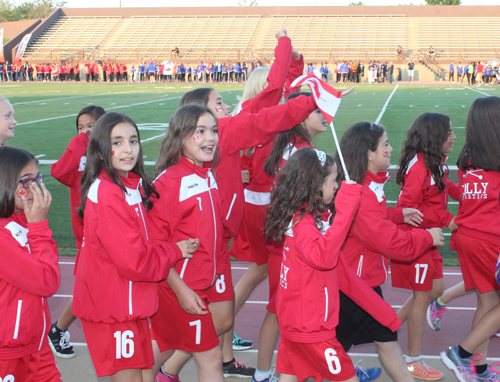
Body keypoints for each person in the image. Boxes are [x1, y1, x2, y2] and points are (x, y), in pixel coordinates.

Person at [72, 112, 195, 381]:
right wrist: (175, 250)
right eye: (117, 142)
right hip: (113, 308)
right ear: (102, 150)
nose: (128, 149)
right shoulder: (107, 192)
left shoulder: (128, 184)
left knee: (140, 376)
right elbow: (134, 261)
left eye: (133, 140)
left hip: (127, 304)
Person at [265, 147, 402, 382]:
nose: (337, 185)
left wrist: (383, 312)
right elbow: (325, 258)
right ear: (314, 185)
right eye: (332, 180)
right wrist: (346, 210)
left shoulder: (308, 220)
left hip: (299, 325)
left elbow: (344, 276)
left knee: (288, 377)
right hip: (312, 329)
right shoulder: (303, 224)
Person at [334, 121, 445, 382]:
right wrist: (426, 237)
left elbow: (373, 219)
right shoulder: (361, 190)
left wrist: (398, 213)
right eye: (385, 144)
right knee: (325, 353)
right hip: (351, 289)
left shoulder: (368, 185)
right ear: (368, 153)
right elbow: (387, 241)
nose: (391, 148)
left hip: (364, 284)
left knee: (386, 337)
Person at [147, 104, 225, 382]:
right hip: (177, 286)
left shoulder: (206, 173)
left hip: (197, 282)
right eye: (199, 131)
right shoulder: (168, 183)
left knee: (162, 347)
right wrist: (181, 290)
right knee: (211, 357)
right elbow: (154, 248)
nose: (210, 138)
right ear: (180, 137)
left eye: (213, 130)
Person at [390, 112, 459, 381]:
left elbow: (442, 186)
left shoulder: (434, 162)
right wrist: (446, 218)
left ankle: (390, 326)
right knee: (422, 296)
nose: (454, 137)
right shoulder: (419, 167)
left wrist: (462, 191)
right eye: (449, 133)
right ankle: (413, 360)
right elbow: (408, 207)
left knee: (437, 289)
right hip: (417, 240)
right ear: (434, 137)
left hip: (430, 238)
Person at [440, 96, 500, 382]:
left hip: (468, 237)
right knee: (492, 305)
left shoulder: (468, 158)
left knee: (487, 303)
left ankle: (479, 367)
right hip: (490, 240)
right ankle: (461, 354)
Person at [49, 106, 106, 359]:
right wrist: (80, 141)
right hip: (88, 234)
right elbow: (58, 171)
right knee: (88, 288)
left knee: (101, 286)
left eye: (92, 126)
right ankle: (58, 329)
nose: (86, 131)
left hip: (112, 230)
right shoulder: (79, 156)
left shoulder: (112, 151)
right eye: (81, 127)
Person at [0, 146, 61, 382]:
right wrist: (38, 227)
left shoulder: (22, 219)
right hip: (8, 353)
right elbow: (47, 282)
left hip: (36, 345)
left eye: (37, 179)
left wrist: (34, 225)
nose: (34, 188)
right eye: (26, 181)